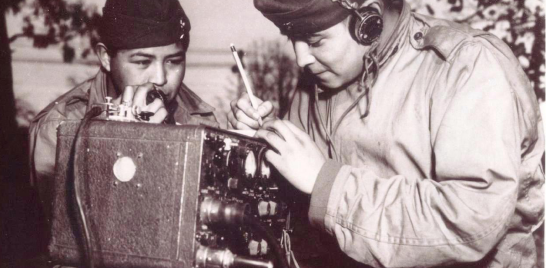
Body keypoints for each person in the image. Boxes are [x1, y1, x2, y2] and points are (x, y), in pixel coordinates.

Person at [228, 0, 544, 266]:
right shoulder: (317, 83)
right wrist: (261, 147)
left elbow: (470, 220)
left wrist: (328, 184)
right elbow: (294, 208)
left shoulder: (467, 66)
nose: (301, 58)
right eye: (290, 38)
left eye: (314, 40)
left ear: (368, 21)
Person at [29, 0, 218, 220]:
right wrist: (115, 144)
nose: (160, 78)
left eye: (173, 61)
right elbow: (64, 234)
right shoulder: (59, 128)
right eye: (142, 62)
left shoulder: (200, 121)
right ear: (106, 58)